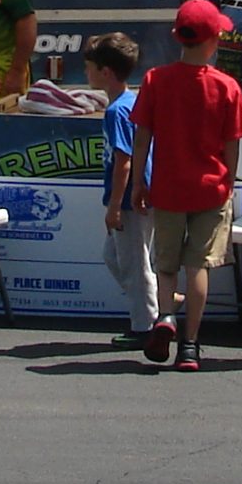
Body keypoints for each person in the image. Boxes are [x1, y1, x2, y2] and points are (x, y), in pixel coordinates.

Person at [130, 0, 242, 373]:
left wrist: (138, 183)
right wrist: (229, 181)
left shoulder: (155, 80)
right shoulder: (226, 87)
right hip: (211, 189)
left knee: (166, 264)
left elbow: (142, 138)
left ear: (177, 37)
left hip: (167, 187)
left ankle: (166, 314)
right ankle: (190, 345)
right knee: (198, 266)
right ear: (214, 40)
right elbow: (232, 144)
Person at [86, 32, 155, 349]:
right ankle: (161, 300)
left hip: (130, 200)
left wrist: (114, 206)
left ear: (105, 72)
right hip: (139, 196)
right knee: (114, 256)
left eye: (90, 68)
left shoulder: (118, 111)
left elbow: (123, 162)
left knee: (134, 264)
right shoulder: (129, 103)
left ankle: (145, 327)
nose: (86, 73)